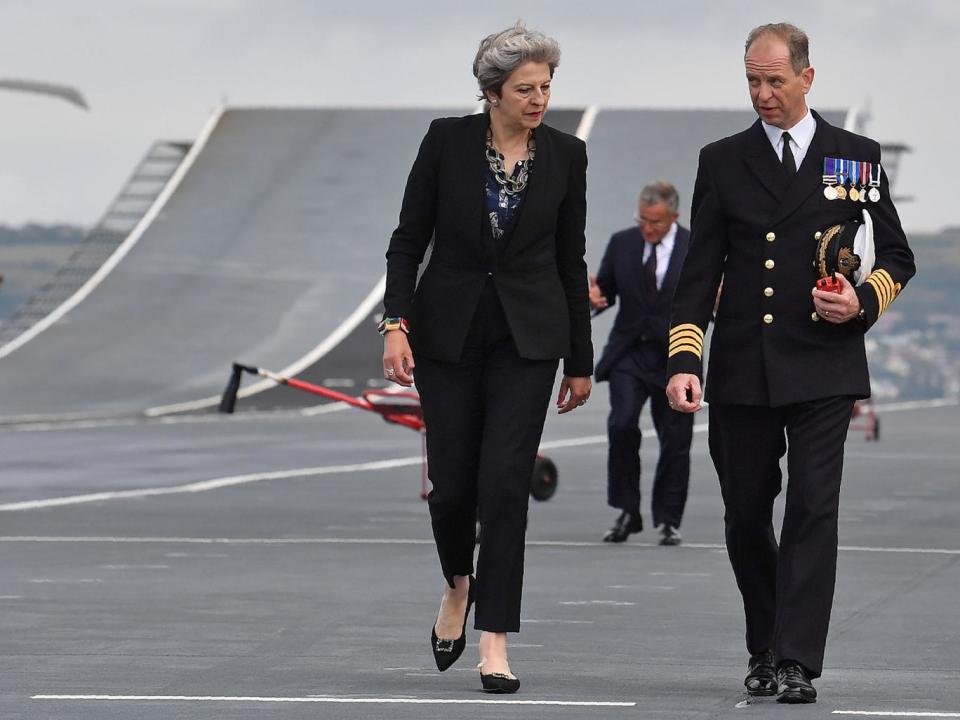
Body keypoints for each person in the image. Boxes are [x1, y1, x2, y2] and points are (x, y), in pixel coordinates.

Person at [666, 23, 915, 704]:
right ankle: (765, 640)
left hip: (823, 366)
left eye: (775, 79)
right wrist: (685, 357)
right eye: (752, 79)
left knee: (812, 508)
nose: (762, 93)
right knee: (746, 513)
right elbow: (698, 274)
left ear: (808, 77)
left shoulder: (853, 158)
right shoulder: (721, 160)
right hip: (743, 367)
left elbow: (898, 255)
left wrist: (861, 301)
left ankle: (797, 659)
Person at [381, 22, 592, 694]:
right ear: (492, 92)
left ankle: (495, 640)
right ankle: (458, 585)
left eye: (546, 87)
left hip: (528, 342)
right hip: (448, 335)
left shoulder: (567, 155)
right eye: (525, 89)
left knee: (505, 483)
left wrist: (581, 360)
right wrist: (395, 324)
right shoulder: (445, 143)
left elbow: (570, 260)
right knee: (451, 486)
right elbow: (408, 241)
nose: (540, 99)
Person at [590, 182, 694, 546]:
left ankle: (668, 519)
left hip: (676, 356)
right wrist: (593, 300)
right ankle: (626, 510)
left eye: (656, 222)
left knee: (675, 439)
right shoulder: (622, 243)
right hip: (629, 355)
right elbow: (603, 293)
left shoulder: (693, 247)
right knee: (620, 425)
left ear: (674, 217)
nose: (647, 228)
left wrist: (717, 306)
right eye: (642, 219)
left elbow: (706, 300)